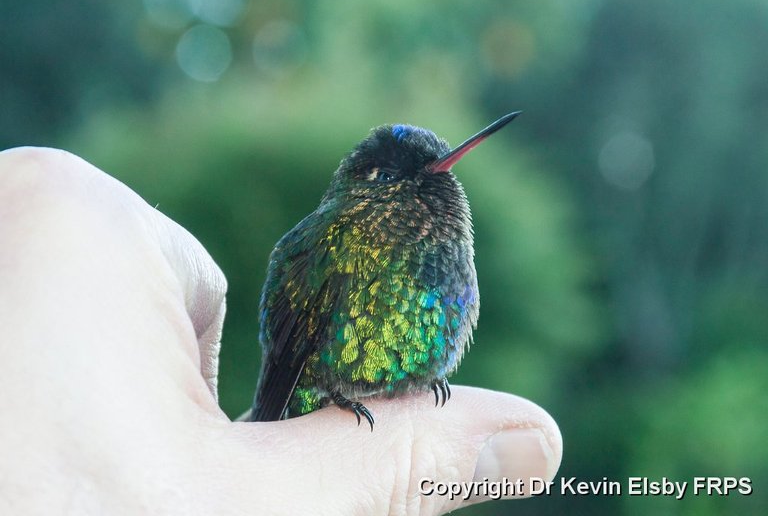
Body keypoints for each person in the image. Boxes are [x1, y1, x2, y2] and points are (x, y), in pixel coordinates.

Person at [0, 147, 561, 515]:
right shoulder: (327, 242)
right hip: (318, 387)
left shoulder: (451, 246)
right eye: (391, 176)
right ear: (364, 189)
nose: (424, 183)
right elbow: (292, 352)